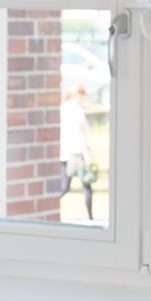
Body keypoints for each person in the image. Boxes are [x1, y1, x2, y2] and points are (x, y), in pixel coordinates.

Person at [59, 84, 94, 220]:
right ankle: (90, 218)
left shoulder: (63, 108)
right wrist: (87, 153)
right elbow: (80, 134)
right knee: (86, 183)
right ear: (79, 95)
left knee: (64, 186)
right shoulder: (77, 110)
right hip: (77, 153)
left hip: (64, 152)